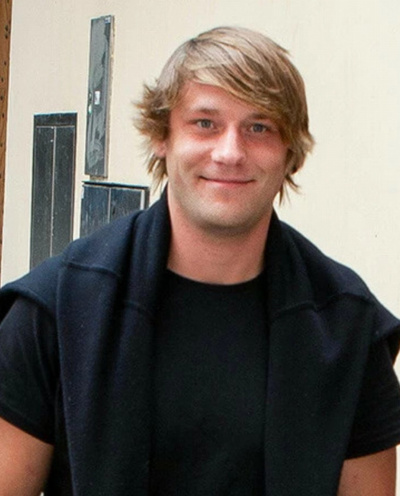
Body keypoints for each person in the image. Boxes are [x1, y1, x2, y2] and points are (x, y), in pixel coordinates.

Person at [0, 26, 400, 496]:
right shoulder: (57, 310)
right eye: (205, 123)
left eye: (259, 127)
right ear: (161, 136)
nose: (230, 153)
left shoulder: (347, 329)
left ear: (289, 151)